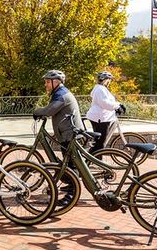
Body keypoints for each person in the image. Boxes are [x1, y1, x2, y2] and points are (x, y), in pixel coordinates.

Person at [32, 69, 82, 207]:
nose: (46, 84)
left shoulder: (61, 95)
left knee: (71, 166)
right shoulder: (59, 93)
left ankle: (71, 196)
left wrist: (36, 111)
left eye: (48, 81)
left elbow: (49, 110)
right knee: (69, 164)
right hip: (67, 133)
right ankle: (69, 182)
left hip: (70, 135)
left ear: (57, 82)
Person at [86, 71, 126, 153]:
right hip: (101, 118)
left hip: (101, 117)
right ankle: (95, 160)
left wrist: (118, 105)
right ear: (105, 80)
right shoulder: (100, 89)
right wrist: (117, 106)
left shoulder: (100, 88)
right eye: (109, 80)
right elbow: (105, 103)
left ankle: (94, 159)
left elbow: (107, 102)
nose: (110, 82)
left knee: (99, 141)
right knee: (100, 143)